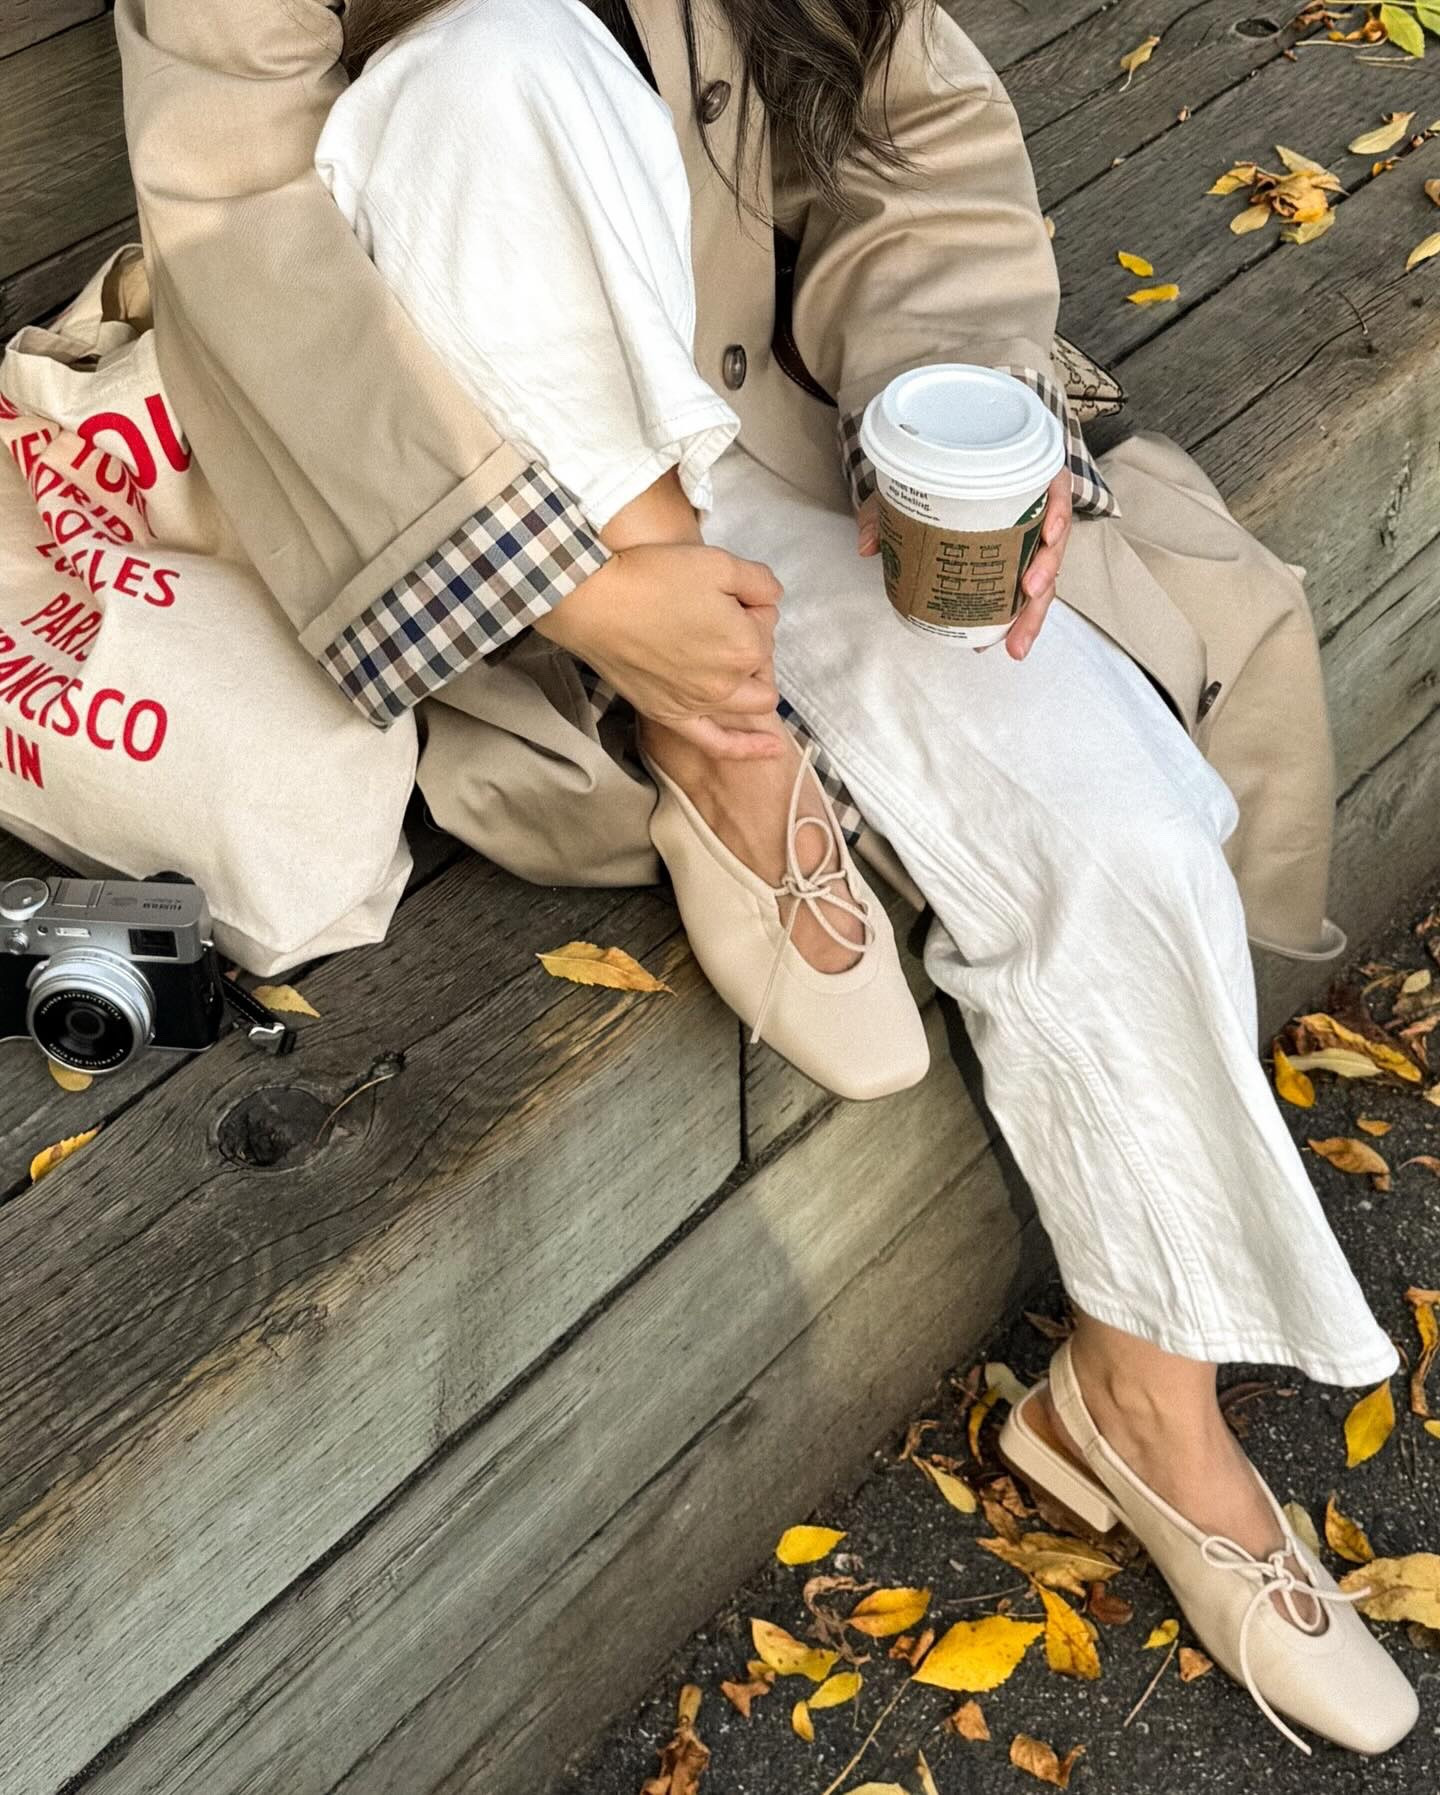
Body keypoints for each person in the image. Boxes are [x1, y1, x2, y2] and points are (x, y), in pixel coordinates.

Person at [115, 0, 1417, 1754]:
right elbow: (236, 216)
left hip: (768, 449)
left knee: (1124, 819)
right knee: (499, 58)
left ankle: (1144, 1408)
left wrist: (946, 411)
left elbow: (912, 129)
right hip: (469, 505)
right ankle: (724, 756)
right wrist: (588, 597)